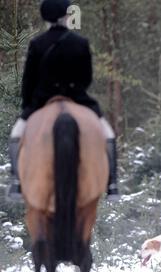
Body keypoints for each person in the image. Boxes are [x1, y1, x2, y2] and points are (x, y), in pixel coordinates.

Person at [7, 0, 119, 201]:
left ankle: (16, 183)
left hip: (42, 99)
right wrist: (74, 90)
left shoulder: (37, 43)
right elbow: (86, 78)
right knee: (108, 134)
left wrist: (28, 107)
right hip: (77, 97)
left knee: (16, 134)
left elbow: (28, 81)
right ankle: (112, 185)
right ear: (65, 16)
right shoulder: (80, 42)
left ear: (46, 17)